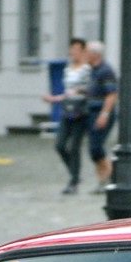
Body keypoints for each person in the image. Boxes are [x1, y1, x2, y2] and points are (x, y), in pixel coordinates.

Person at [44, 38, 90, 194]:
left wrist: (80, 92)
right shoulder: (68, 69)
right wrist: (55, 99)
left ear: (83, 51)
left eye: (76, 49)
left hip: (80, 112)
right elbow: (67, 92)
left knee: (75, 146)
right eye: (72, 49)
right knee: (60, 145)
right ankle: (74, 173)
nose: (73, 53)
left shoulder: (87, 69)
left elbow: (89, 89)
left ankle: (74, 181)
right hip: (67, 110)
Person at [84, 40, 119, 193]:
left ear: (94, 54)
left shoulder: (106, 70)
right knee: (93, 149)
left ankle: (111, 176)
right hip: (92, 112)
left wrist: (104, 114)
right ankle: (102, 181)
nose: (85, 55)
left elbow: (111, 94)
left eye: (87, 52)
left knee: (96, 148)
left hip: (101, 113)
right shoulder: (93, 70)